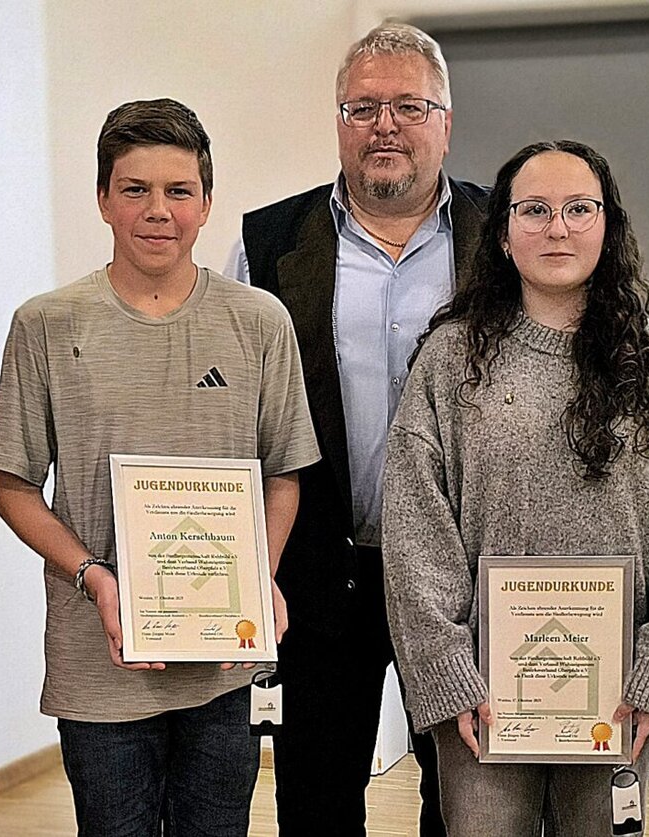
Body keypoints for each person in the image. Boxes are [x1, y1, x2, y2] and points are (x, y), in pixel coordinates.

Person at [0, 99, 319, 836]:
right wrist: (93, 577)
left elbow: (284, 471)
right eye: (134, 189)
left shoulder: (260, 321)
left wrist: (259, 571)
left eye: (178, 191)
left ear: (206, 201)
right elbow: (13, 485)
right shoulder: (47, 324)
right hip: (98, 667)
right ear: (103, 198)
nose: (157, 211)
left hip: (223, 661)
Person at [382, 140, 649, 836]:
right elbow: (414, 522)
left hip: (617, 696)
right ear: (505, 234)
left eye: (579, 208)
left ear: (608, 225)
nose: (558, 227)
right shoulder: (450, 361)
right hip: (482, 701)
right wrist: (448, 671)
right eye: (535, 209)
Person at [225, 21, 488, 837]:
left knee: (462, 795)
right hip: (318, 574)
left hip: (461, 579)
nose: (384, 125)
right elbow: (239, 419)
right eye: (363, 106)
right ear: (338, 121)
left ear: (446, 120)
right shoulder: (267, 243)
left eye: (409, 106)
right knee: (314, 796)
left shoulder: (505, 236)